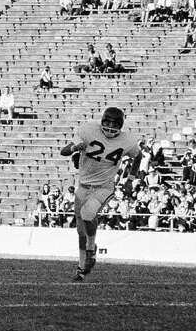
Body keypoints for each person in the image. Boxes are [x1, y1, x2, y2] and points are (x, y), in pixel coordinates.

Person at [59, 106, 142, 282]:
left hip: (104, 187)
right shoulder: (88, 130)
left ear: (120, 125)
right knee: (81, 230)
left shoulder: (127, 141)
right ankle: (81, 269)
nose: (110, 128)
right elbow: (63, 151)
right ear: (102, 121)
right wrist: (75, 147)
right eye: (108, 123)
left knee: (88, 214)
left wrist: (130, 179)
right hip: (83, 186)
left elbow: (138, 156)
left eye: (115, 124)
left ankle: (91, 249)